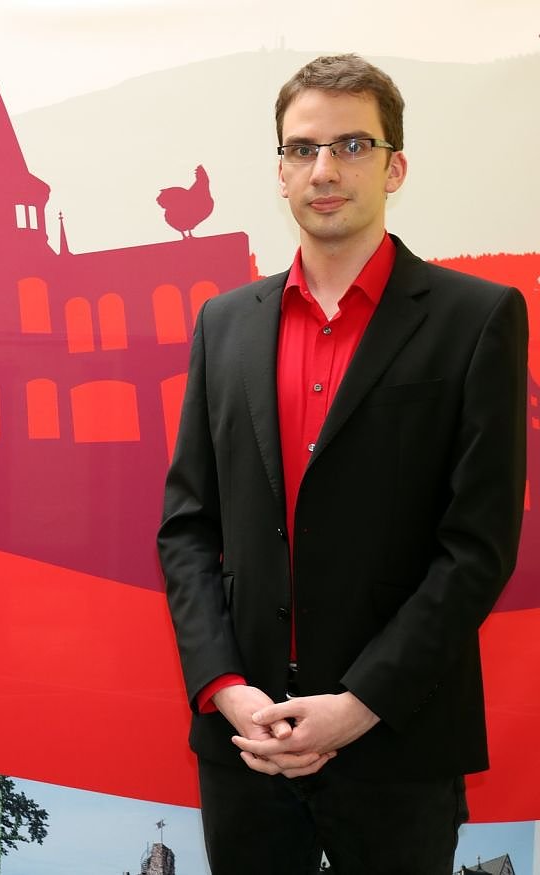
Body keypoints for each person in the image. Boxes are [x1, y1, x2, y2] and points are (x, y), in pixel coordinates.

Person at [157, 54, 527, 874]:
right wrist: (226, 689)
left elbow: (477, 547)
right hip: (246, 746)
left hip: (398, 739)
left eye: (352, 145)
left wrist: (360, 704)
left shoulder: (477, 319)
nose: (324, 170)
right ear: (281, 171)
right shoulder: (224, 325)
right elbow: (187, 528)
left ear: (395, 166)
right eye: (302, 148)